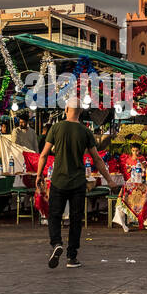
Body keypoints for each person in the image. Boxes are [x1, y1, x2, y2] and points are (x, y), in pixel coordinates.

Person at [36, 95, 115, 268]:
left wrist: (39, 175)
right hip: (78, 182)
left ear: (66, 110)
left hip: (58, 180)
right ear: (80, 112)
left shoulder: (56, 128)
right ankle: (72, 257)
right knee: (76, 218)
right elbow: (97, 159)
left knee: (54, 215)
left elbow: (43, 154)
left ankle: (56, 243)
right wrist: (109, 180)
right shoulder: (85, 131)